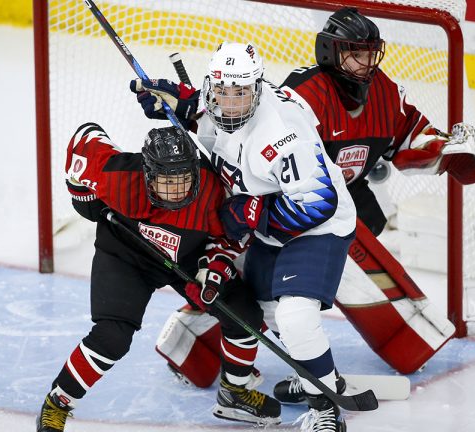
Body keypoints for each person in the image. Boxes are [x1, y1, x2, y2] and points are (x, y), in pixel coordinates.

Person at [133, 41, 357, 432]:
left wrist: (250, 213)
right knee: (268, 313)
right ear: (211, 86)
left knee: (295, 316)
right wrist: (177, 104)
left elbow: (318, 203)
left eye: (241, 93)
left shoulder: (281, 134)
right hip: (273, 225)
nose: (231, 102)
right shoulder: (221, 104)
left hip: (317, 227)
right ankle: (318, 377)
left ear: (258, 89)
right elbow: (210, 121)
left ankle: (326, 408)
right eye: (222, 91)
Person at [36, 123, 281, 432]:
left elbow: (230, 238)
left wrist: (213, 271)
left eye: (183, 179)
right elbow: (85, 137)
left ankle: (234, 395)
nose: (176, 190)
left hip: (187, 256)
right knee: (112, 337)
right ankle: (57, 403)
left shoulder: (213, 190)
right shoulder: (120, 177)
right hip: (126, 254)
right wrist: (83, 198)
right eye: (167, 181)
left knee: (243, 315)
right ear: (149, 174)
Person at [282, 7, 475, 237]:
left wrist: (443, 152)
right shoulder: (304, 95)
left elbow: (410, 135)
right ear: (331, 52)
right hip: (295, 198)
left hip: (347, 191)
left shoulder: (384, 93)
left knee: (371, 222)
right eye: (357, 55)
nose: (367, 64)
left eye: (370, 55)